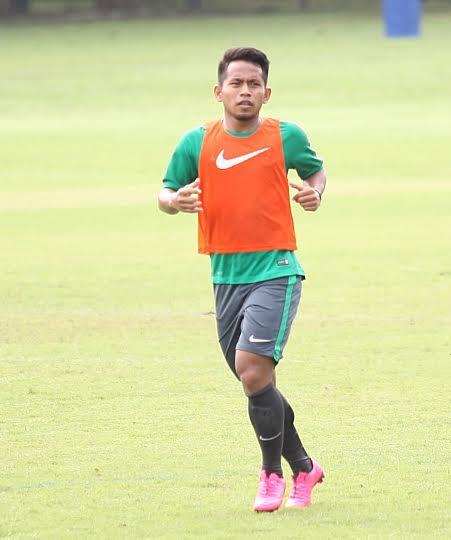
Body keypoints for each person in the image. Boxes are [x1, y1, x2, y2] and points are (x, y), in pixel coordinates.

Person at [157, 47, 327, 511]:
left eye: (254, 84)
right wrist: (175, 202)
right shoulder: (197, 142)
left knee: (252, 367)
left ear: (267, 93)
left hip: (276, 269)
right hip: (225, 275)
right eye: (237, 83)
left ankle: (272, 476)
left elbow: (315, 171)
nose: (245, 91)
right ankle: (305, 467)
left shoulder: (285, 136)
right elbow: (165, 191)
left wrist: (313, 193)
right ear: (219, 92)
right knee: (255, 378)